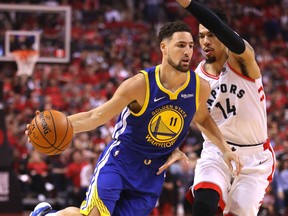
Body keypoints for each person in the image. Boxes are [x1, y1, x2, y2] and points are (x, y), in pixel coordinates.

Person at [28, 20, 241, 216]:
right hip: (121, 161)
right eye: (180, 45)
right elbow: (96, 116)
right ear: (163, 47)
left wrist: (225, 149)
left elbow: (203, 119)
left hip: (153, 173)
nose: (187, 51)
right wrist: (55, 127)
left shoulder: (198, 87)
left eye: (190, 46)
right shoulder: (140, 84)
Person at [176, 0, 276, 215]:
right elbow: (199, 119)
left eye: (211, 35)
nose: (205, 41)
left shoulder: (243, 60)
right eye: (201, 36)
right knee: (203, 204)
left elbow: (222, 29)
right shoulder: (196, 78)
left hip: (254, 158)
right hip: (217, 151)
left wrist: (188, 4)